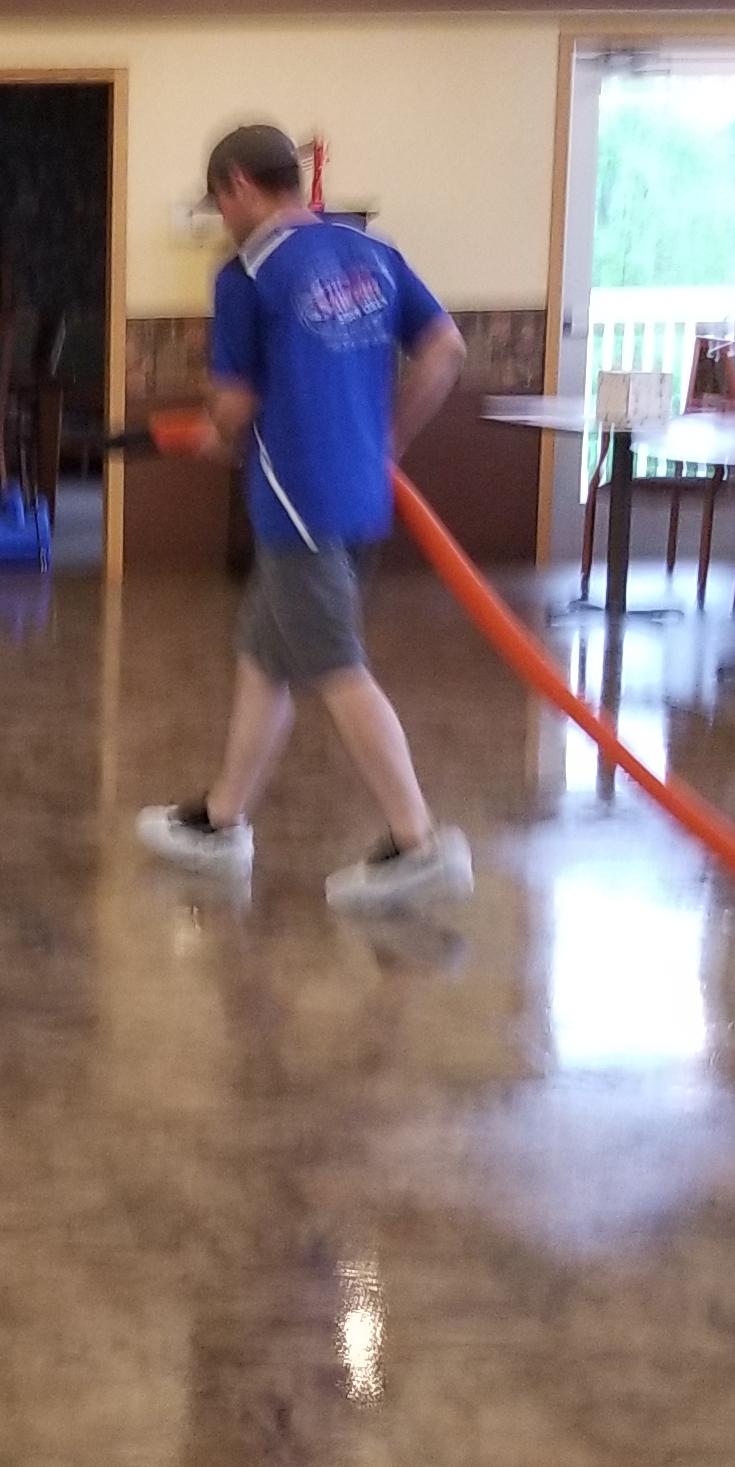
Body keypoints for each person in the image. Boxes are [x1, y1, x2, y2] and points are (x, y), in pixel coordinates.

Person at [136, 124, 474, 913]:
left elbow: (235, 407)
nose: (223, 221)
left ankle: (418, 842)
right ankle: (222, 821)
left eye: (220, 203)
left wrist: (214, 433)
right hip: (361, 499)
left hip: (296, 504)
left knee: (335, 667)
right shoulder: (372, 255)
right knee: (266, 657)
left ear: (239, 186)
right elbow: (446, 350)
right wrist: (388, 438)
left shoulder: (247, 275)